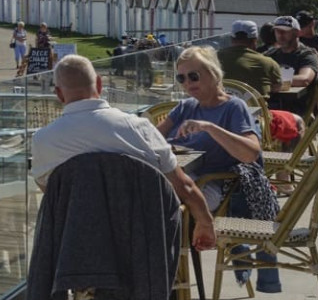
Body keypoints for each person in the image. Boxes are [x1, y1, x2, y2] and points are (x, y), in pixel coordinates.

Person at [29, 54, 215, 250]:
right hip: (142, 245)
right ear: (99, 85)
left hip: (78, 250)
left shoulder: (43, 140)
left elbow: (54, 198)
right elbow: (184, 186)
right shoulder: (139, 128)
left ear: (59, 93)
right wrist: (205, 222)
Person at [154, 47, 278, 292]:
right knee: (139, 207)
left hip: (215, 186)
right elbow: (153, 140)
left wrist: (210, 128)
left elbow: (251, 153)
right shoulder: (186, 106)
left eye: (194, 76)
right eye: (181, 78)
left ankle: (159, 287)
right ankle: (143, 285)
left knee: (158, 211)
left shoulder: (234, 108)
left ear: (214, 74)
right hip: (183, 180)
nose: (187, 83)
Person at [263, 16, 318, 117]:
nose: (280, 35)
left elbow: (304, 79)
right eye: (277, 31)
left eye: (285, 31)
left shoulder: (306, 55)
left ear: (297, 33)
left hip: (296, 108)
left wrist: (275, 82)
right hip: (271, 106)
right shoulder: (270, 55)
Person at [217, 20, 282, 97]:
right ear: (255, 40)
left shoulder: (213, 58)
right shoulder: (268, 63)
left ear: (231, 38)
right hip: (256, 108)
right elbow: (277, 87)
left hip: (221, 108)